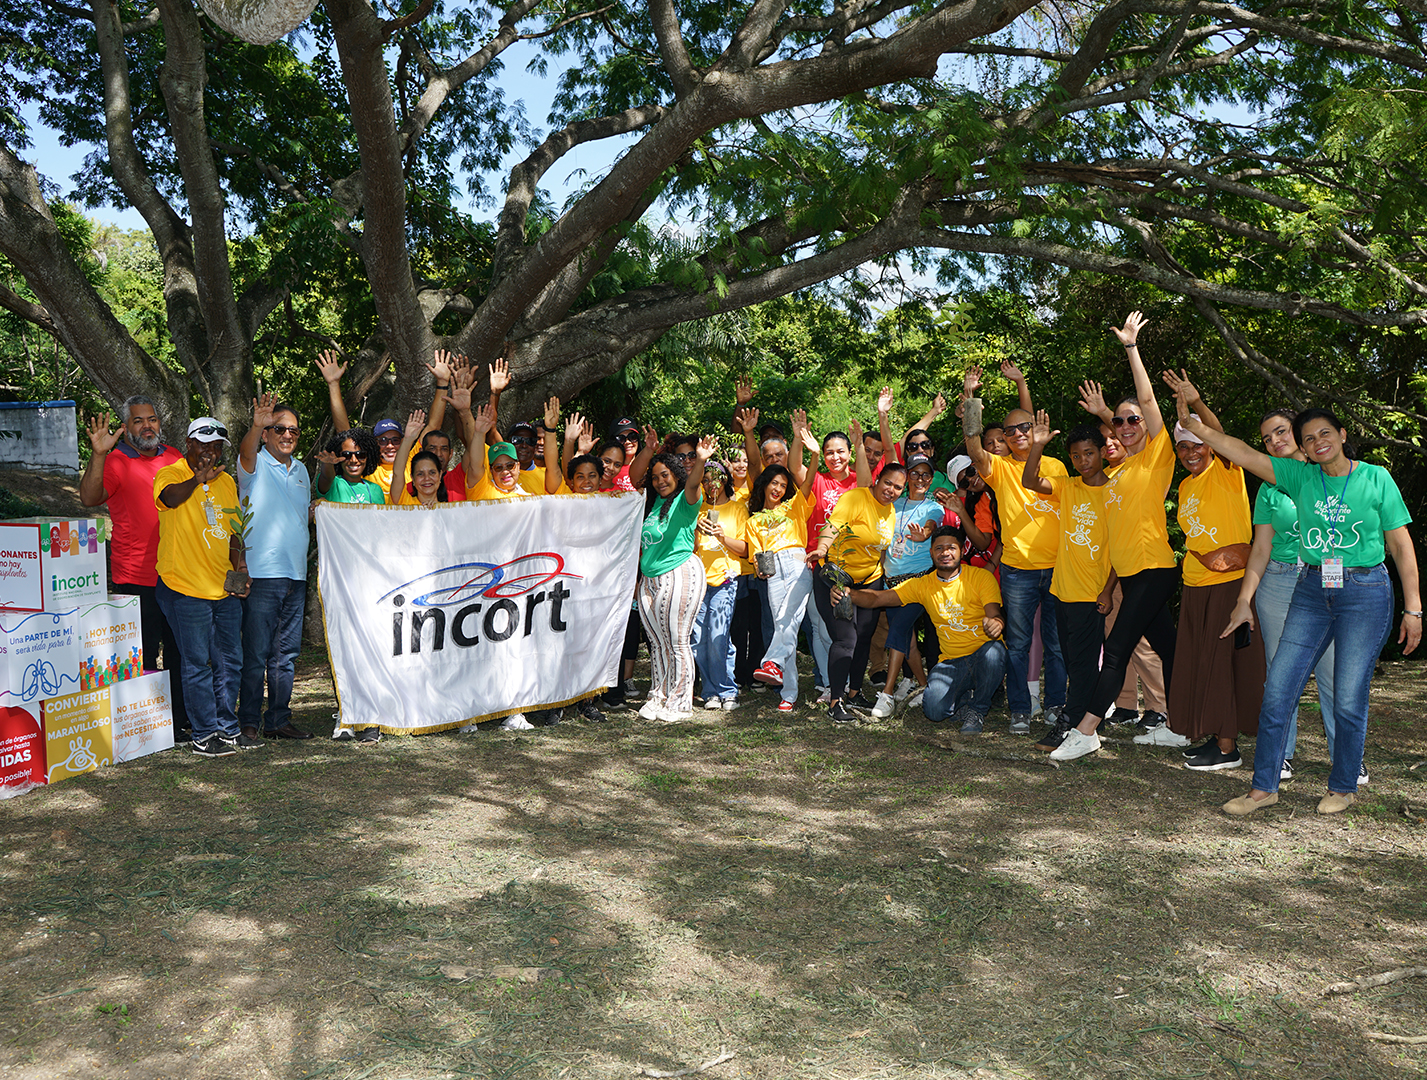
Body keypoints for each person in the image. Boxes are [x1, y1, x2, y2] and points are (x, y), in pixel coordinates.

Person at [1175, 406, 1420, 815]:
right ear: (1302, 447)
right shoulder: (1299, 477)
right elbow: (1241, 453)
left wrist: (1414, 608)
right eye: (1309, 438)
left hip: (1365, 590)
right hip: (1312, 588)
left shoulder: (1376, 477)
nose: (1318, 442)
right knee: (1278, 688)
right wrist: (1196, 426)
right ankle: (1263, 788)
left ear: (1342, 435)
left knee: (1347, 694)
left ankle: (1342, 786)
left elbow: (1400, 544)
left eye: (1325, 433)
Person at [1052, 313, 1180, 762]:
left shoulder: (1158, 457)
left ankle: (1086, 730)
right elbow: (1122, 427)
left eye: (1133, 421)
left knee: (1118, 647)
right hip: (1129, 573)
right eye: (1119, 423)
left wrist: (1131, 348)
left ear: (1146, 424)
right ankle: (1183, 723)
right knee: (1170, 649)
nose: (1126, 426)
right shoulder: (1120, 469)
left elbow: (1145, 401)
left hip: (1152, 569)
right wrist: (1106, 414)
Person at [1222, 408, 1340, 782]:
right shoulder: (1269, 489)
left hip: (1326, 577)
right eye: (1267, 438)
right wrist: (1244, 599)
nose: (1274, 441)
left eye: (1281, 432)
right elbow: (1260, 548)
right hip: (1278, 581)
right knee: (1280, 672)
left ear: (1300, 432)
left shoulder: (1331, 474)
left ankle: (1346, 756)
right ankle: (1281, 755)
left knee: (1333, 671)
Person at [1159, 373, 1266, 770]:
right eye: (1183, 447)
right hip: (1196, 584)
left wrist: (1197, 404)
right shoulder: (1186, 487)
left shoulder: (1226, 470)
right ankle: (1214, 733)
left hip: (1229, 584)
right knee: (1203, 662)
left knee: (1224, 664)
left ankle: (1226, 747)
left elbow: (1221, 437)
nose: (1191, 453)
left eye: (1197, 445)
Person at [963, 364, 1068, 735]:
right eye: (1011, 431)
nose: (1019, 434)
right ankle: (1020, 709)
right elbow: (974, 447)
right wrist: (970, 397)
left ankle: (1056, 705)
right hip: (1018, 571)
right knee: (1019, 644)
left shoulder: (1057, 466)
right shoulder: (999, 468)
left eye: (1025, 428)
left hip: (1057, 568)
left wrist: (1023, 383)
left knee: (1056, 645)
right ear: (1005, 438)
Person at [78, 397, 189, 739]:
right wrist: (98, 454)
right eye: (138, 421)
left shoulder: (174, 457)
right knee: (142, 656)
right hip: (136, 577)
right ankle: (146, 730)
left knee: (179, 653)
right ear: (126, 427)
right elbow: (89, 498)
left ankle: (179, 722)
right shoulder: (116, 460)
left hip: (177, 573)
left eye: (151, 419)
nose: (147, 426)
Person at [835, 528, 1006, 731]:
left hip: (982, 657)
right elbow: (877, 598)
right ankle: (967, 699)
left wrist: (996, 623)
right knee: (934, 711)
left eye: (951, 548)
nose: (945, 553)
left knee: (995, 652)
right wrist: (850, 593)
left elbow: (994, 613)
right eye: (939, 548)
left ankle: (977, 710)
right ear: (931, 553)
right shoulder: (923, 585)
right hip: (951, 662)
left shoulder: (981, 577)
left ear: (961, 551)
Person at [153, 419, 254, 758]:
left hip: (223, 588)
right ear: (189, 443)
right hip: (184, 587)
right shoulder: (171, 474)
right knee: (197, 663)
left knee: (230, 660)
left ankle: (227, 728)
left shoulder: (226, 481)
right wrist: (197, 479)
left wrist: (241, 568)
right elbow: (169, 499)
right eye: (204, 444)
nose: (210, 452)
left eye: (217, 446)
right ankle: (203, 734)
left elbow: (234, 530)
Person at [1020, 414, 1112, 750]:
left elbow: (1120, 547)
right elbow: (1030, 480)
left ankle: (1069, 723)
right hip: (1062, 591)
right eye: (1076, 455)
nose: (1083, 461)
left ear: (1101, 452)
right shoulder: (1068, 487)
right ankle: (1090, 717)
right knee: (1074, 662)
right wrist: (1037, 446)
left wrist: (1107, 590)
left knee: (1084, 664)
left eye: (1089, 453)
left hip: (1092, 592)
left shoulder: (1116, 492)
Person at [808, 426, 905, 723]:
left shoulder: (890, 511)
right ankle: (835, 702)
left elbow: (880, 549)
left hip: (869, 581)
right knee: (845, 638)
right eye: (887, 483)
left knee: (863, 637)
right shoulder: (855, 498)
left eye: (897, 487)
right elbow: (833, 526)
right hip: (836, 577)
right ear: (878, 479)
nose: (891, 490)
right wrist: (821, 548)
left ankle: (854, 693)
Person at [236, 394, 316, 743]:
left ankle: (278, 720)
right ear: (267, 434)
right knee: (256, 654)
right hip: (262, 575)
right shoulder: (253, 465)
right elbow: (246, 452)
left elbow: (298, 517)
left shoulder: (301, 471)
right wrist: (257, 424)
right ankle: (249, 721)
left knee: (286, 656)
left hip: (295, 575)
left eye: (293, 431)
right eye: (279, 429)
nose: (287, 435)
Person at [636, 437, 716, 723]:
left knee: (677, 640)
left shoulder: (685, 500)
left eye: (666, 475)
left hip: (679, 572)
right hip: (649, 579)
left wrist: (701, 459)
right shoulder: (652, 504)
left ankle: (680, 702)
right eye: (655, 477)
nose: (660, 481)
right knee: (657, 642)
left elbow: (693, 484)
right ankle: (658, 696)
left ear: (677, 475)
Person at [870, 454, 946, 718]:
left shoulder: (934, 507)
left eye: (926, 474)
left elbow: (930, 526)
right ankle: (924, 687)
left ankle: (887, 694)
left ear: (931, 479)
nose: (920, 479)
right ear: (907, 478)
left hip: (918, 581)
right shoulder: (894, 504)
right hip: (891, 582)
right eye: (915, 473)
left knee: (899, 631)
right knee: (908, 642)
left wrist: (924, 534)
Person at [744, 465, 814, 711]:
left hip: (796, 562)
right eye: (774, 483)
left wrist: (814, 455)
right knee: (784, 627)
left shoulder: (793, 506)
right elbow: (756, 555)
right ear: (764, 484)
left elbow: (808, 483)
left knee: (786, 619)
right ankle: (788, 694)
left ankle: (772, 662)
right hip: (772, 569)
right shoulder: (753, 520)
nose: (778, 489)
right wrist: (760, 570)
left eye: (783, 485)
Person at [692, 461, 750, 710]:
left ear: (725, 480)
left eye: (714, 478)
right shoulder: (697, 509)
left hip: (725, 580)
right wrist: (695, 529)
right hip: (698, 581)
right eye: (705, 480)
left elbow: (745, 550)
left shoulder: (737, 509)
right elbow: (690, 548)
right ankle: (711, 692)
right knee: (698, 639)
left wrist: (722, 537)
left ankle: (727, 691)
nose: (710, 484)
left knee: (718, 637)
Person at [316, 427, 386, 504]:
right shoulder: (334, 484)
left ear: (368, 457)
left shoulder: (376, 489)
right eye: (347, 455)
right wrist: (328, 463)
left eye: (360, 455)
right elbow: (327, 477)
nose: (353, 460)